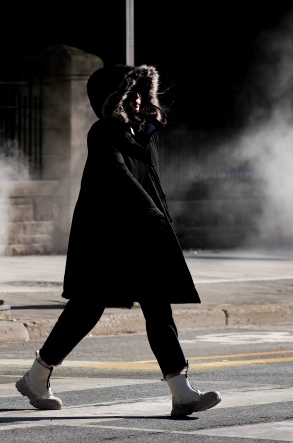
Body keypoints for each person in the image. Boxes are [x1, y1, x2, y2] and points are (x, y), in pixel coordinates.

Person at [15, 64, 221, 417]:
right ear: (115, 99)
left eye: (143, 91)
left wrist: (162, 218)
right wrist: (151, 212)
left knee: (158, 306)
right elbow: (118, 174)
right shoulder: (103, 132)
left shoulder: (144, 134)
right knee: (86, 309)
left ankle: (181, 391)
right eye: (132, 92)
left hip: (139, 235)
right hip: (105, 237)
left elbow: (151, 182)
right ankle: (37, 374)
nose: (139, 98)